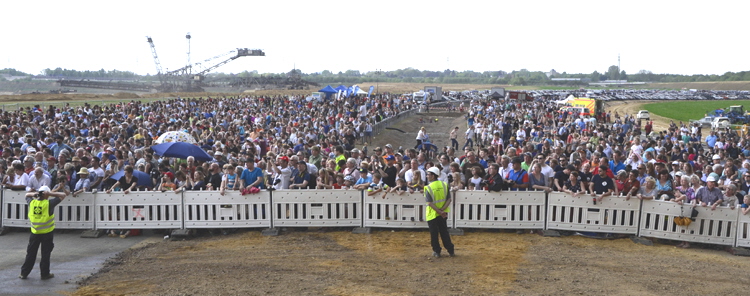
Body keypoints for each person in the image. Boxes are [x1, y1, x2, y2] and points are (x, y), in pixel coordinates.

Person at [19, 185, 67, 280]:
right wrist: (50, 193)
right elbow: (63, 195)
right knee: (45, 254)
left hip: (35, 233)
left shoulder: (32, 202)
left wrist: (36, 193)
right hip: (47, 233)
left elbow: (27, 195)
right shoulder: (49, 203)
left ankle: (24, 273)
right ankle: (44, 274)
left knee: (30, 253)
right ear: (46, 195)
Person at [424, 167, 454, 258]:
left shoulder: (428, 187)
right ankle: (450, 250)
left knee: (434, 233)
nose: (427, 176)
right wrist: (442, 211)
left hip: (432, 214)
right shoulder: (445, 185)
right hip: (443, 213)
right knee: (444, 232)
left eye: (428, 174)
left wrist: (439, 211)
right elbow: (449, 199)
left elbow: (429, 203)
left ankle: (437, 251)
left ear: (433, 176)